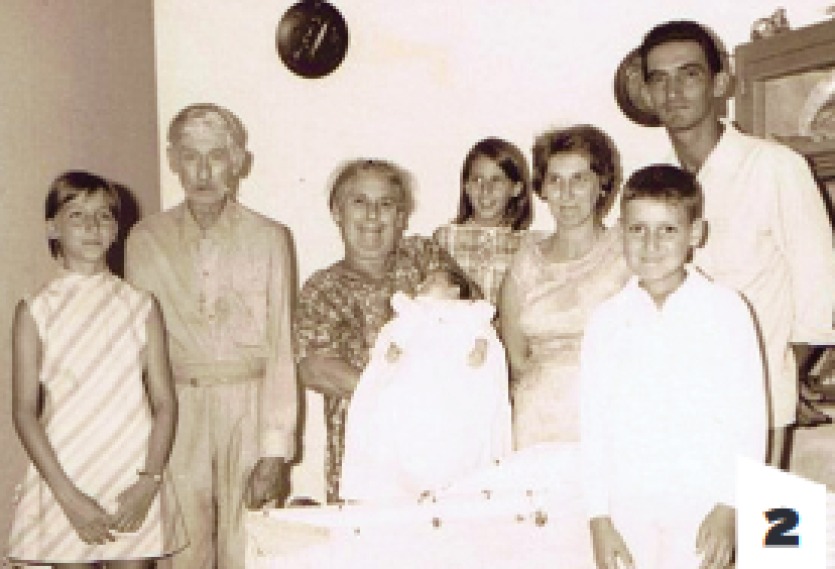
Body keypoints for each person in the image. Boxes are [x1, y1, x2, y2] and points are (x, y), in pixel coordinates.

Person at [638, 20, 835, 464]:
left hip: (759, 400)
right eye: (659, 79)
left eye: (689, 74)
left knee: (763, 511)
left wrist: (779, 373)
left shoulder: (776, 168)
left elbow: (821, 289)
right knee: (685, 510)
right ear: (647, 94)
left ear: (720, 83)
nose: (673, 91)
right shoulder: (652, 186)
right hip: (675, 399)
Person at [124, 104, 298, 569]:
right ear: (173, 161)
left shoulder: (269, 238)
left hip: (250, 406)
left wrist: (275, 451)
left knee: (250, 547)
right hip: (177, 409)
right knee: (183, 551)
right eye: (190, 156)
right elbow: (137, 352)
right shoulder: (144, 240)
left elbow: (281, 349)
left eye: (216, 156)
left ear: (238, 162)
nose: (203, 172)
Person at [581, 165, 767, 569]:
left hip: (703, 502)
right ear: (620, 232)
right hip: (628, 503)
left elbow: (749, 417)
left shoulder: (726, 310)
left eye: (667, 229)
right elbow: (593, 425)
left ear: (695, 233)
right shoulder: (606, 320)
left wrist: (731, 504)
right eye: (637, 229)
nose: (650, 244)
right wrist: (598, 517)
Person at [8, 171, 187, 567]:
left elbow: (164, 403)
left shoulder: (140, 305)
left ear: (116, 230)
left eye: (104, 215)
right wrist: (68, 498)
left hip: (132, 474)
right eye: (77, 215)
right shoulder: (36, 309)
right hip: (64, 476)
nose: (92, 226)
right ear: (52, 228)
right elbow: (23, 411)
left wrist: (149, 482)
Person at [294, 158, 459, 503]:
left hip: (439, 443)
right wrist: (404, 397)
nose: (372, 215)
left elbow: (460, 310)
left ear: (400, 217)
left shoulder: (422, 257)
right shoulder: (322, 289)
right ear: (337, 212)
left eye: (385, 204)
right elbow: (315, 369)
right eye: (359, 202)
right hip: (362, 457)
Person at [500, 125, 630, 450]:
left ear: (602, 184)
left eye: (579, 179)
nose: (566, 193)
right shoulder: (526, 259)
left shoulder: (626, 252)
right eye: (555, 180)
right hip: (536, 419)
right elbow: (515, 359)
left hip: (609, 413)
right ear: (542, 188)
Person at [340, 268, 512, 502]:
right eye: (424, 280)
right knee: (396, 416)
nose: (422, 284)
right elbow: (399, 333)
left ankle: (456, 480)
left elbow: (482, 333)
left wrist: (480, 350)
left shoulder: (469, 312)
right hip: (415, 382)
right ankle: (399, 480)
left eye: (433, 280)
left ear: (454, 290)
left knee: (460, 427)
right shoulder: (412, 311)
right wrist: (394, 347)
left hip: (455, 383)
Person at [433, 137, 533, 305]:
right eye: (477, 180)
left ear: (516, 188)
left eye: (496, 180)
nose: (486, 190)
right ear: (466, 186)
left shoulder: (526, 245)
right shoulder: (444, 238)